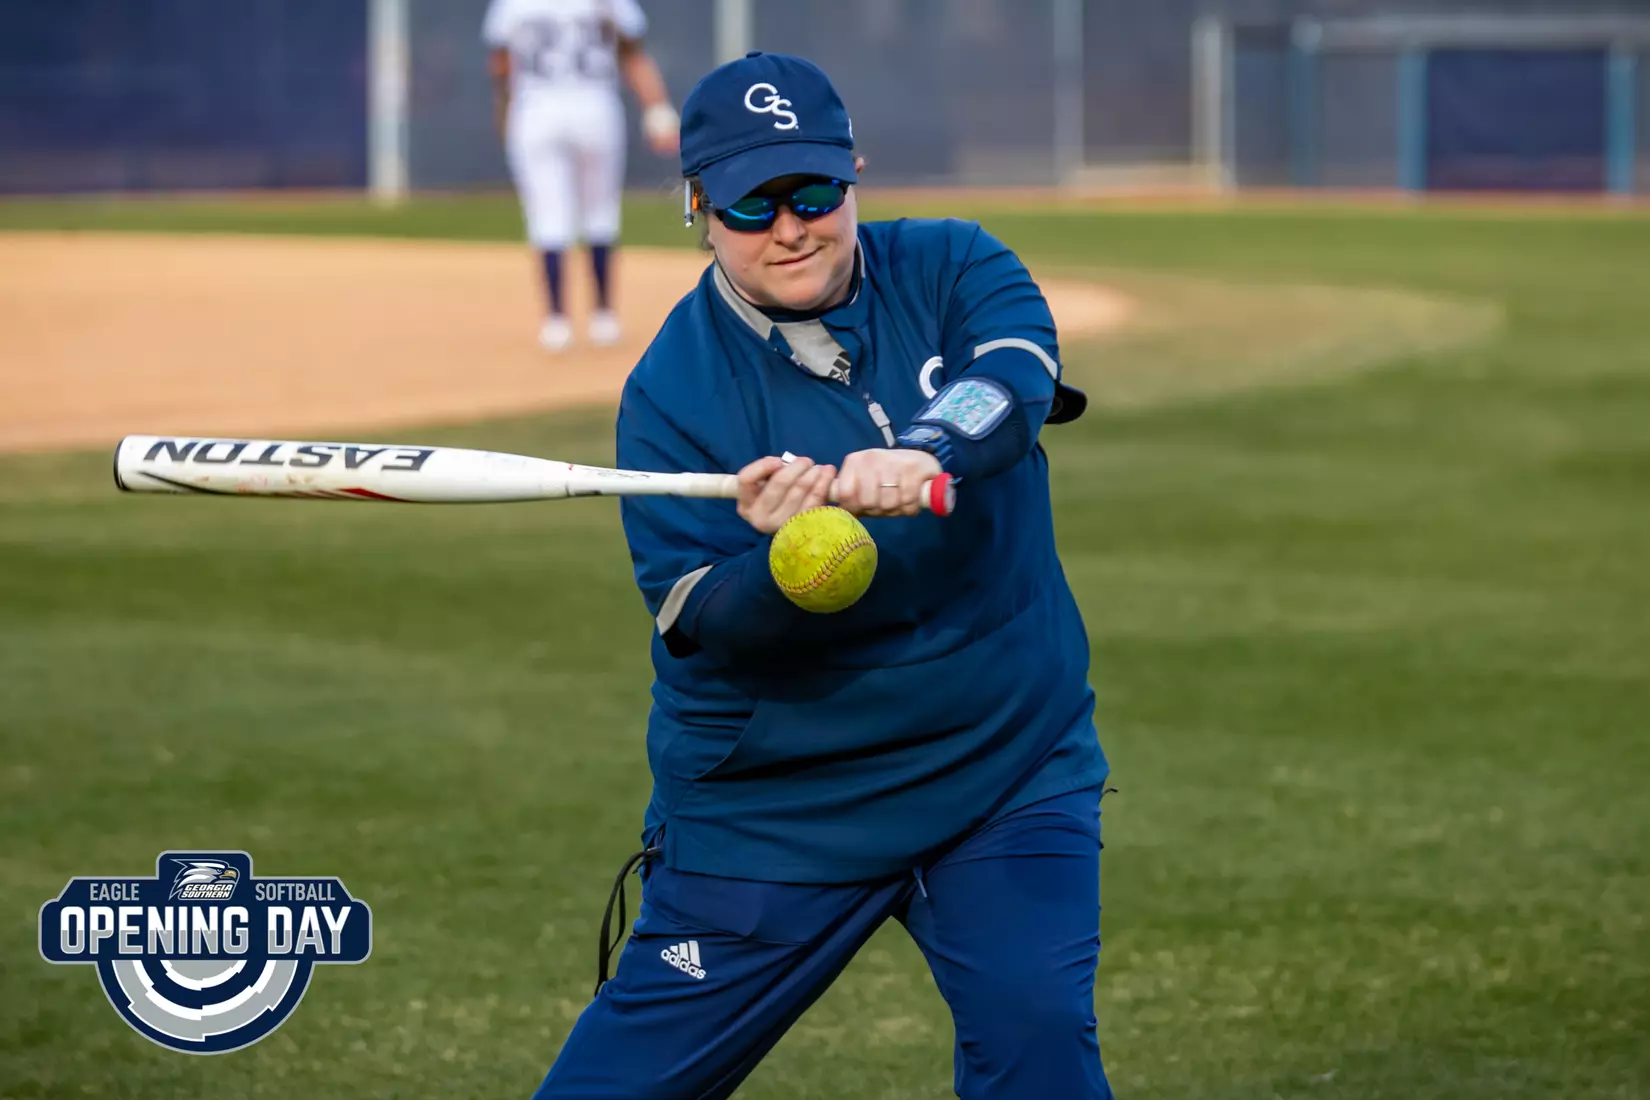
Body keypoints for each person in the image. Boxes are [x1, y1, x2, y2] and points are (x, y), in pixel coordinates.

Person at [532, 51, 1113, 1100]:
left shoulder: (950, 264)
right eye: (754, 203)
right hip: (780, 806)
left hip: (1004, 765)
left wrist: (929, 446)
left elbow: (1017, 377)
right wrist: (782, 566)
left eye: (815, 190)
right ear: (699, 206)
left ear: (855, 173)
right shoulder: (672, 394)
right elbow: (707, 619)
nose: (791, 225)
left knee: (1040, 1042)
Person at [484, 0, 679, 352]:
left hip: (535, 110)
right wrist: (657, 107)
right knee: (600, 212)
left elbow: (501, 64)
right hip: (595, 107)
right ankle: (604, 316)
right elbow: (632, 54)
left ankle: (556, 320)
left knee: (547, 216)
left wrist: (504, 114)